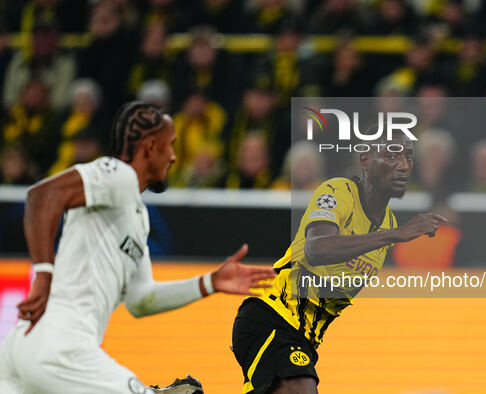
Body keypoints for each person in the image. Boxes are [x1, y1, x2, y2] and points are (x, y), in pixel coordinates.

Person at [0, 101, 276, 394]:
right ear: (149, 147)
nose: (172, 157)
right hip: (62, 342)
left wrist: (209, 283)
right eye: (169, 146)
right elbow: (42, 196)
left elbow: (141, 300)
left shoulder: (137, 216)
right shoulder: (118, 174)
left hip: (25, 346)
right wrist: (43, 274)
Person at [232, 130, 447, 394]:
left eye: (408, 156)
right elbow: (316, 249)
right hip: (273, 316)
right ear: (366, 160)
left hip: (305, 339)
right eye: (391, 155)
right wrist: (396, 235)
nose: (403, 165)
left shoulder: (388, 223)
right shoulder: (339, 192)